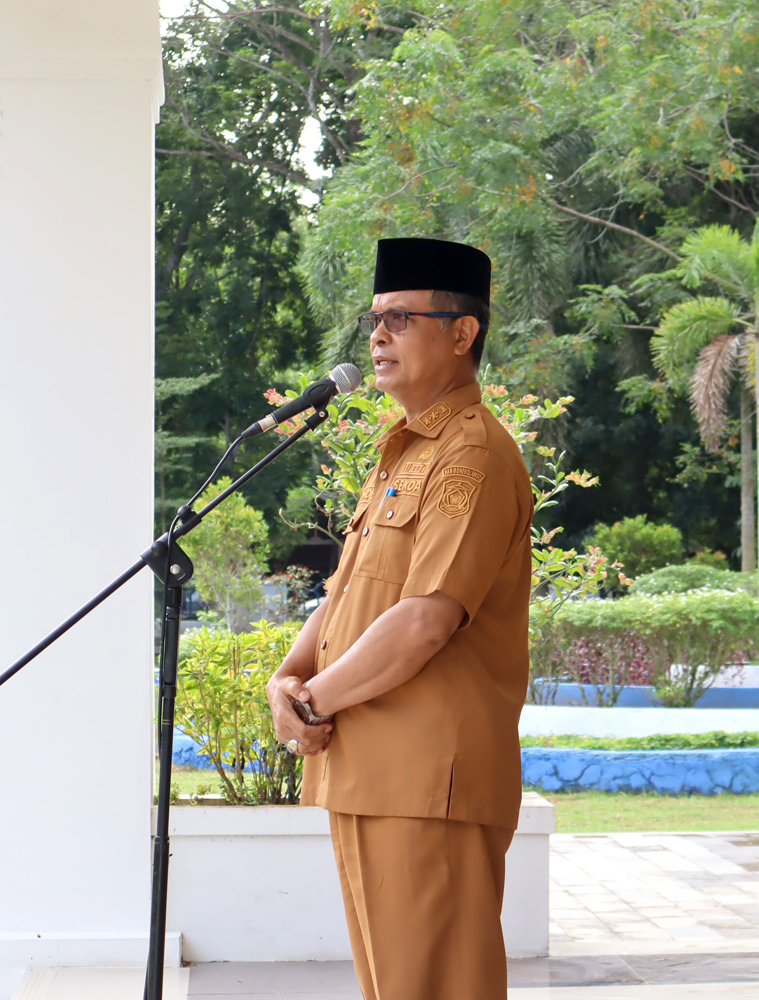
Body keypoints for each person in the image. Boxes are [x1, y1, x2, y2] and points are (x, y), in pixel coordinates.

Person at [264, 237, 534, 1000]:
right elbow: (352, 594)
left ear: (462, 333)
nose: (377, 337)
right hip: (369, 768)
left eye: (401, 319)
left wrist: (315, 699)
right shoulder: (403, 453)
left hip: (429, 778)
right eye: (375, 320)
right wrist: (290, 675)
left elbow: (423, 621)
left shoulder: (471, 455)